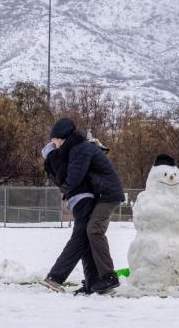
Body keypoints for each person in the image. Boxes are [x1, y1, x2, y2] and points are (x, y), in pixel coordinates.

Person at [49, 117, 125, 295]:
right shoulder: (78, 147)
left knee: (94, 230)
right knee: (88, 233)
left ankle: (109, 277)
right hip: (102, 195)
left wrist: (64, 190)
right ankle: (94, 282)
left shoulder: (80, 149)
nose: (53, 144)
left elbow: (74, 177)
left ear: (62, 138)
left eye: (55, 140)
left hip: (108, 195)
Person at [39, 138, 99, 295]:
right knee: (81, 237)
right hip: (82, 198)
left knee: (86, 237)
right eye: (58, 141)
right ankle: (55, 277)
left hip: (79, 198)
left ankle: (93, 282)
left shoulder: (55, 160)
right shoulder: (57, 158)